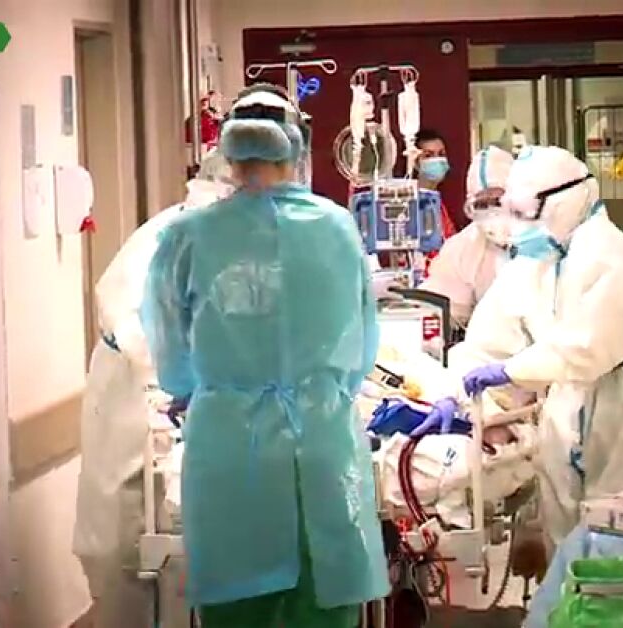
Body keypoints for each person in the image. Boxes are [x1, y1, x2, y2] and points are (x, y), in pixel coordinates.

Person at [141, 85, 389, 628]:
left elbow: (169, 348)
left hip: (231, 447)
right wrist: (325, 388)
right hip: (321, 439)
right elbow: (361, 343)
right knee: (322, 597)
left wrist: (194, 389)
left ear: (227, 155)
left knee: (237, 601)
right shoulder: (336, 227)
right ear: (297, 148)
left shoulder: (189, 235)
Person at [455, 145, 623, 547]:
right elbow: (491, 335)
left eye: (524, 211)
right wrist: (459, 393)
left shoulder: (608, 256)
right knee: (563, 533)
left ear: (564, 201)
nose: (515, 224)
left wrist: (510, 371)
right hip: (568, 403)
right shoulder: (540, 260)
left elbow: (585, 348)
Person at [72, 148, 235, 628]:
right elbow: (142, 338)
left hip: (177, 410)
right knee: (123, 548)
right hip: (133, 405)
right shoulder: (168, 240)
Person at [419, 145, 516, 330]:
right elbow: (444, 308)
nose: (492, 212)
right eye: (482, 204)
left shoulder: (543, 240)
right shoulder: (462, 249)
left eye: (498, 201)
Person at [414, 128, 457, 239]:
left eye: (441, 154)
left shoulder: (437, 201)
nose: (437, 160)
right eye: (428, 155)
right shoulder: (411, 203)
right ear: (415, 162)